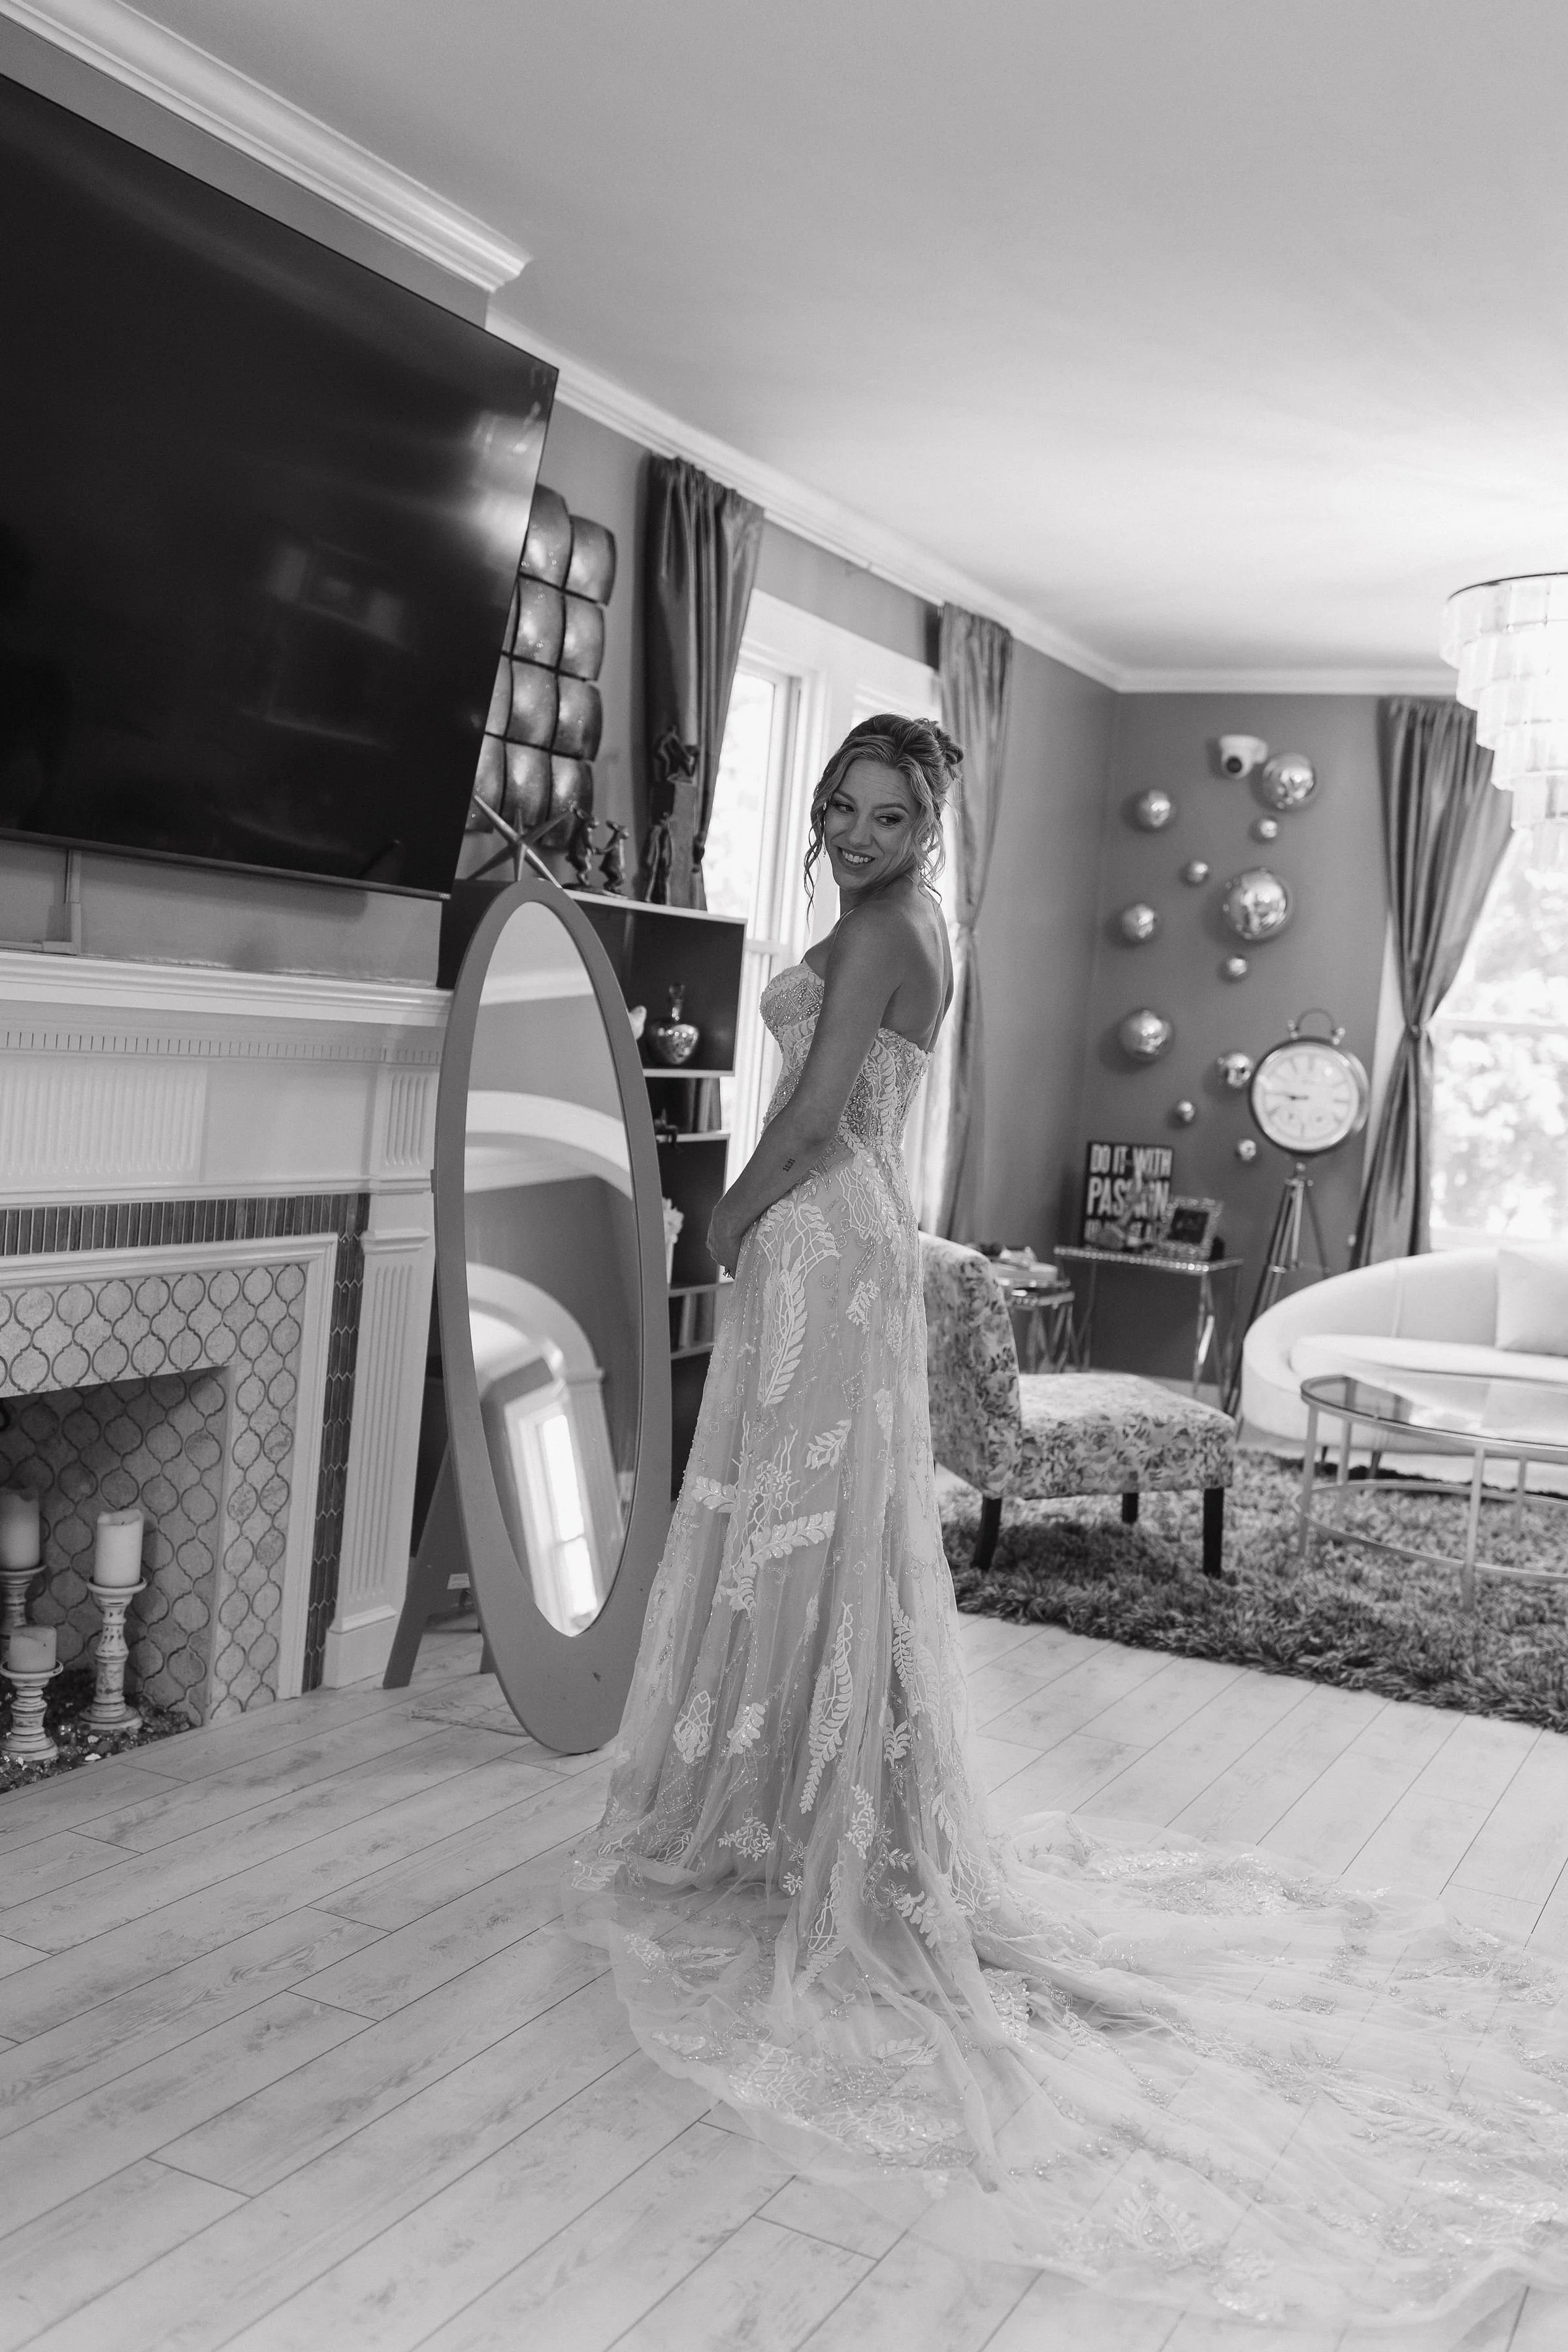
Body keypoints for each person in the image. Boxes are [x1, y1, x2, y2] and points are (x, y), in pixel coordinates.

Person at [566, 715, 1568, 2342]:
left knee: (803, 1530)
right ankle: (809, 1810)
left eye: (890, 812)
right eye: (842, 802)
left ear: (929, 829)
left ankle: (819, 1823)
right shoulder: (902, 920)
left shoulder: (890, 926)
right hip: (844, 1245)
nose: (857, 828)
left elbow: (818, 1116)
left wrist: (716, 1222)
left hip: (822, 1238)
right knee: (807, 1534)